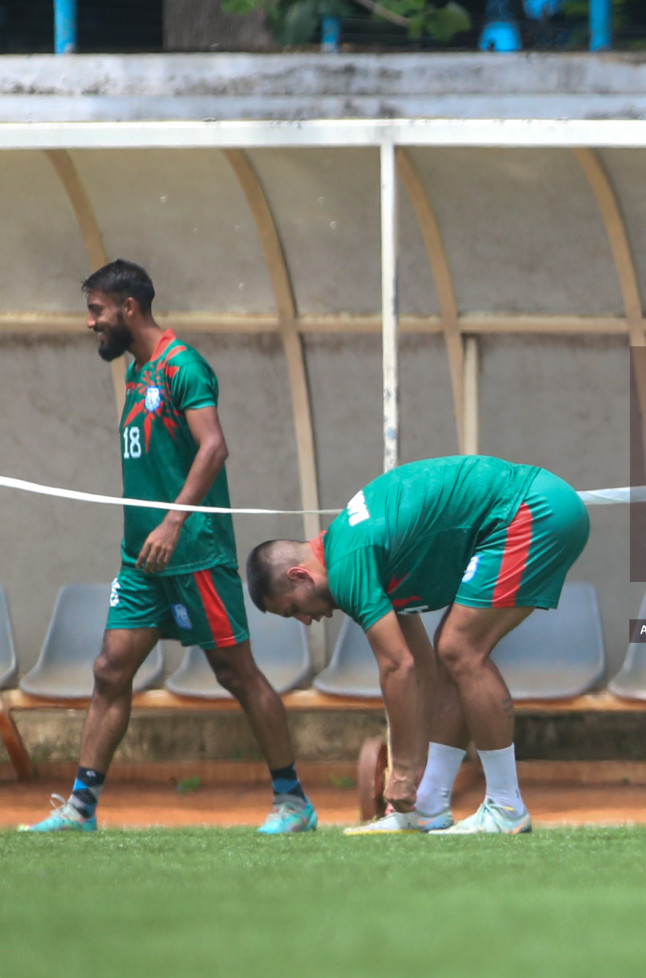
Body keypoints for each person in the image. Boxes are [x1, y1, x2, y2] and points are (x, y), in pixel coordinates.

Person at [23, 260, 315, 834]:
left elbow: (214, 448)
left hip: (194, 553)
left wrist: (173, 523)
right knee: (110, 670)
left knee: (237, 674)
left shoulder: (184, 366)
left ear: (128, 307)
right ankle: (82, 808)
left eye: (96, 310)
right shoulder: (136, 374)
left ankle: (293, 800)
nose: (91, 323)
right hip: (141, 562)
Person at [246, 455, 589, 835]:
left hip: (533, 508)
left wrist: (404, 771)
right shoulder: (356, 550)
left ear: (300, 575)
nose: (306, 620)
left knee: (460, 648)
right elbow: (421, 669)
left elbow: (397, 667)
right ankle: (428, 806)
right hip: (532, 505)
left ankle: (506, 806)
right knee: (450, 655)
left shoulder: (347, 564)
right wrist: (411, 779)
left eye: (294, 609)